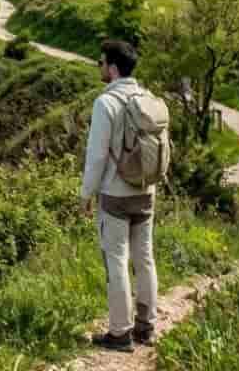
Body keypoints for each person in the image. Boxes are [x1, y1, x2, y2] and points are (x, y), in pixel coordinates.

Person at [81, 39, 157, 353]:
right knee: (145, 257)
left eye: (101, 63)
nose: (99, 67)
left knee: (116, 261)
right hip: (146, 189)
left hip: (115, 193)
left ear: (112, 68)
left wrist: (86, 193)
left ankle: (119, 333)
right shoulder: (148, 97)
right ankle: (146, 326)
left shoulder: (105, 103)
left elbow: (97, 155)